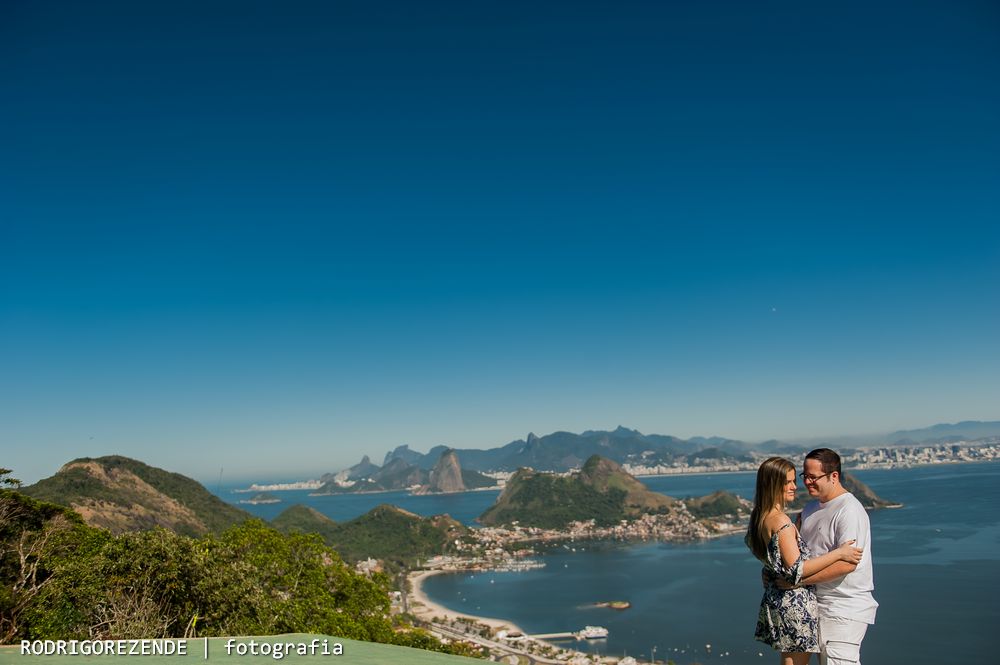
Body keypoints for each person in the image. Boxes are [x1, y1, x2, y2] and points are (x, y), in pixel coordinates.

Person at [746, 457, 863, 665]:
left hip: (777, 600)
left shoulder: (761, 517)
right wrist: (839, 553)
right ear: (773, 484)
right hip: (795, 603)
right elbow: (796, 569)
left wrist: (772, 570)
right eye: (788, 482)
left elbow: (773, 559)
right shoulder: (781, 521)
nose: (795, 486)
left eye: (794, 480)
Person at [795, 448, 878, 665]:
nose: (808, 482)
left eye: (814, 477)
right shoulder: (810, 508)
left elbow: (846, 564)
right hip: (815, 604)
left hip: (844, 607)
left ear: (834, 476)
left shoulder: (849, 510)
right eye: (805, 476)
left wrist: (796, 580)